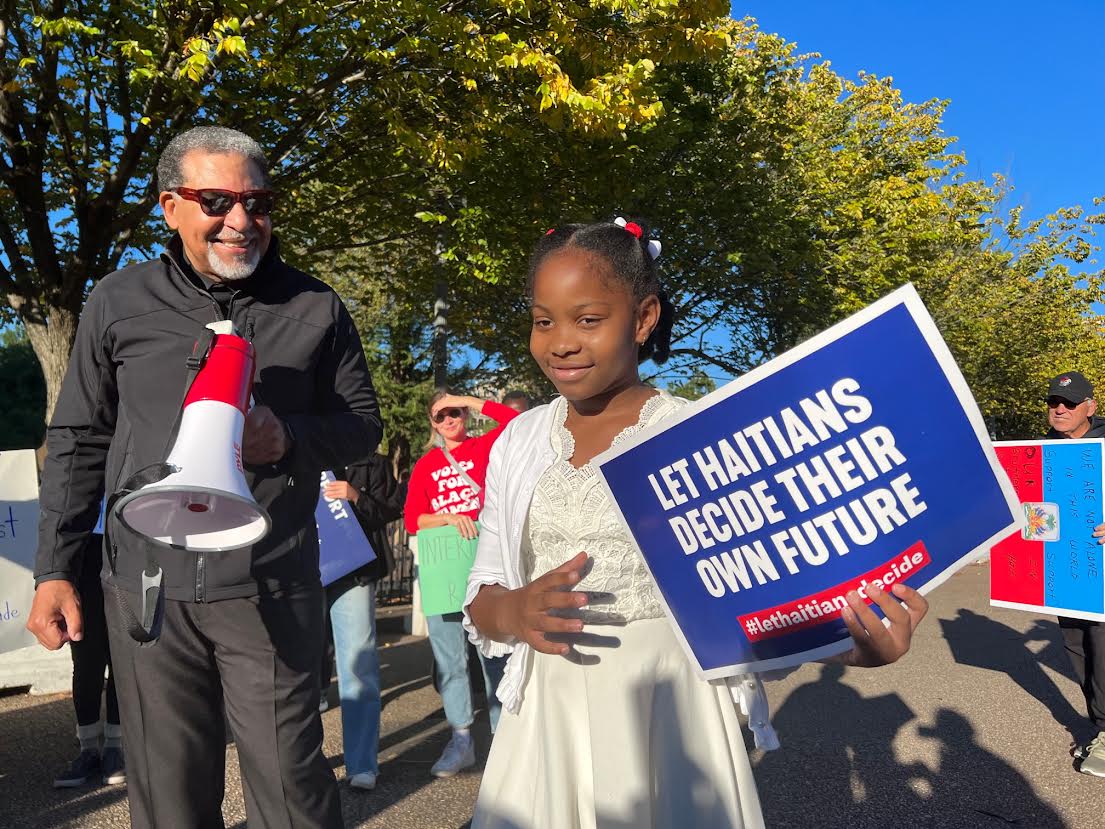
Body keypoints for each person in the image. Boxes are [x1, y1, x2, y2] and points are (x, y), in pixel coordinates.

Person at [463, 219, 930, 828]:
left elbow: (763, 598)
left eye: (588, 319)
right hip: (546, 713)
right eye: (543, 320)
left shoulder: (699, 437)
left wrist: (851, 644)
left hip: (671, 708)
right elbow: (483, 589)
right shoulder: (519, 441)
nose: (560, 342)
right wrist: (512, 611)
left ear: (643, 317)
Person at [27, 126, 381, 829]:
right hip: (146, 593)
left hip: (271, 586)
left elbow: (361, 423)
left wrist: (289, 435)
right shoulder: (116, 301)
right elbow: (77, 439)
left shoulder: (315, 306)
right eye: (216, 200)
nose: (242, 221)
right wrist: (56, 567)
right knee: (168, 802)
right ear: (169, 206)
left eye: (259, 202)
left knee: (293, 797)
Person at [404, 390, 519, 777]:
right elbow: (413, 520)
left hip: (483, 563)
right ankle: (461, 739)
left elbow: (513, 421)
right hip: (444, 570)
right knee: (450, 661)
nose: (450, 419)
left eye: (455, 412)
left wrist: (469, 399)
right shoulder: (426, 466)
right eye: (441, 416)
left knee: (494, 658)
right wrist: (449, 518)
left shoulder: (484, 447)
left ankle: (506, 741)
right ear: (432, 424)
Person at [320, 452, 406, 791]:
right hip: (303, 572)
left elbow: (390, 511)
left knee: (358, 664)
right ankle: (302, 763)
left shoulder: (375, 463)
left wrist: (356, 497)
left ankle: (361, 763)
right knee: (299, 671)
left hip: (353, 573)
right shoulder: (298, 450)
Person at [1040, 371, 1105, 777]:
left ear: (1091, 407)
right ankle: (1099, 722)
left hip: (1100, 568)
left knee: (1102, 645)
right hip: (1066, 571)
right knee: (1076, 646)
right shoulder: (1042, 451)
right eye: (1054, 403)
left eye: (1070, 402)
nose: (1060, 409)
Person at [52, 531, 126, 789]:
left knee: (122, 657)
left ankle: (115, 747)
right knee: (86, 659)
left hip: (124, 541)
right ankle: (88, 749)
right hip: (82, 547)